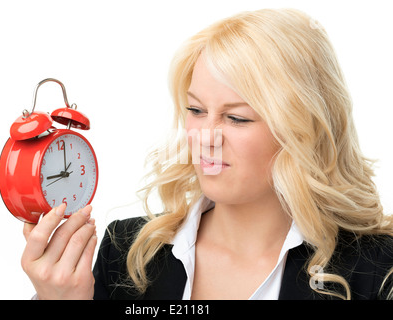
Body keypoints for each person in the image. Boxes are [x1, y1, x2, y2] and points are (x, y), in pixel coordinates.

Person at [21, 8, 393, 300]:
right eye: (196, 110)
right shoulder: (126, 254)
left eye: (236, 117)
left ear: (303, 131)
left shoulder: (376, 270)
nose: (206, 138)